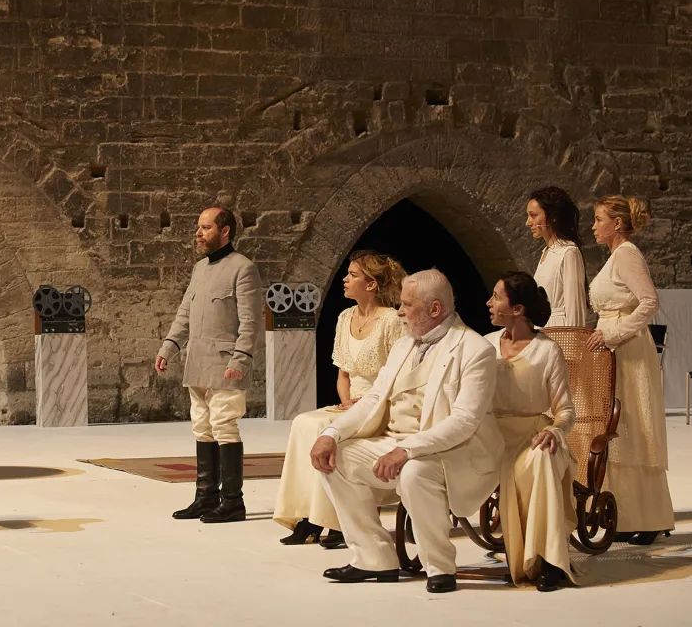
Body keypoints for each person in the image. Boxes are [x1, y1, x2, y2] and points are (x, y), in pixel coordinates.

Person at [309, 269, 502, 594]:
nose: (399, 312)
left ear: (435, 309)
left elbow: (464, 421)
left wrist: (407, 450)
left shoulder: (474, 349)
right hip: (395, 441)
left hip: (451, 451)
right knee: (334, 457)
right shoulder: (403, 344)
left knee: (414, 471)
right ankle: (374, 558)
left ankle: (440, 566)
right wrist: (332, 433)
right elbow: (373, 399)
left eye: (407, 305)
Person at [274, 251, 405, 548]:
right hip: (350, 404)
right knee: (304, 422)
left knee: (324, 429)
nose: (344, 280)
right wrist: (347, 403)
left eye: (353, 275)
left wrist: (363, 404)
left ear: (371, 284)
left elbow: (397, 376)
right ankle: (308, 516)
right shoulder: (345, 317)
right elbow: (343, 374)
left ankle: (338, 521)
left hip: (380, 405)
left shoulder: (391, 322)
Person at [155, 206, 263, 524]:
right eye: (199, 227)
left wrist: (241, 359)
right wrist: (169, 347)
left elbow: (250, 322)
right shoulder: (200, 269)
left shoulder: (243, 268)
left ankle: (232, 501)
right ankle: (206, 496)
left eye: (205, 228)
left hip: (225, 363)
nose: (198, 233)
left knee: (224, 426)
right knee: (202, 427)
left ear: (225, 230)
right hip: (198, 361)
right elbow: (185, 313)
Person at [587, 195, 673, 545]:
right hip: (613, 348)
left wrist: (614, 333)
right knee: (618, 427)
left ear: (617, 223)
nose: (593, 226)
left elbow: (649, 301)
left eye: (599, 219)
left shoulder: (627, 254)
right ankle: (625, 513)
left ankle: (649, 517)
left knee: (633, 426)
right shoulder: (615, 257)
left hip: (628, 348)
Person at [485, 272, 577, 591]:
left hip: (533, 435)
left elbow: (565, 410)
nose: (489, 303)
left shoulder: (546, 350)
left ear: (517, 309)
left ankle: (551, 560)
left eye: (496, 297)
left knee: (543, 456)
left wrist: (555, 431)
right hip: (491, 438)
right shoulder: (485, 345)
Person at [526, 186, 587, 327]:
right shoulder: (547, 252)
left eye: (533, 215)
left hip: (559, 329)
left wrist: (574, 339)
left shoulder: (568, 252)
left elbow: (575, 307)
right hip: (544, 328)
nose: (528, 222)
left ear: (552, 217)